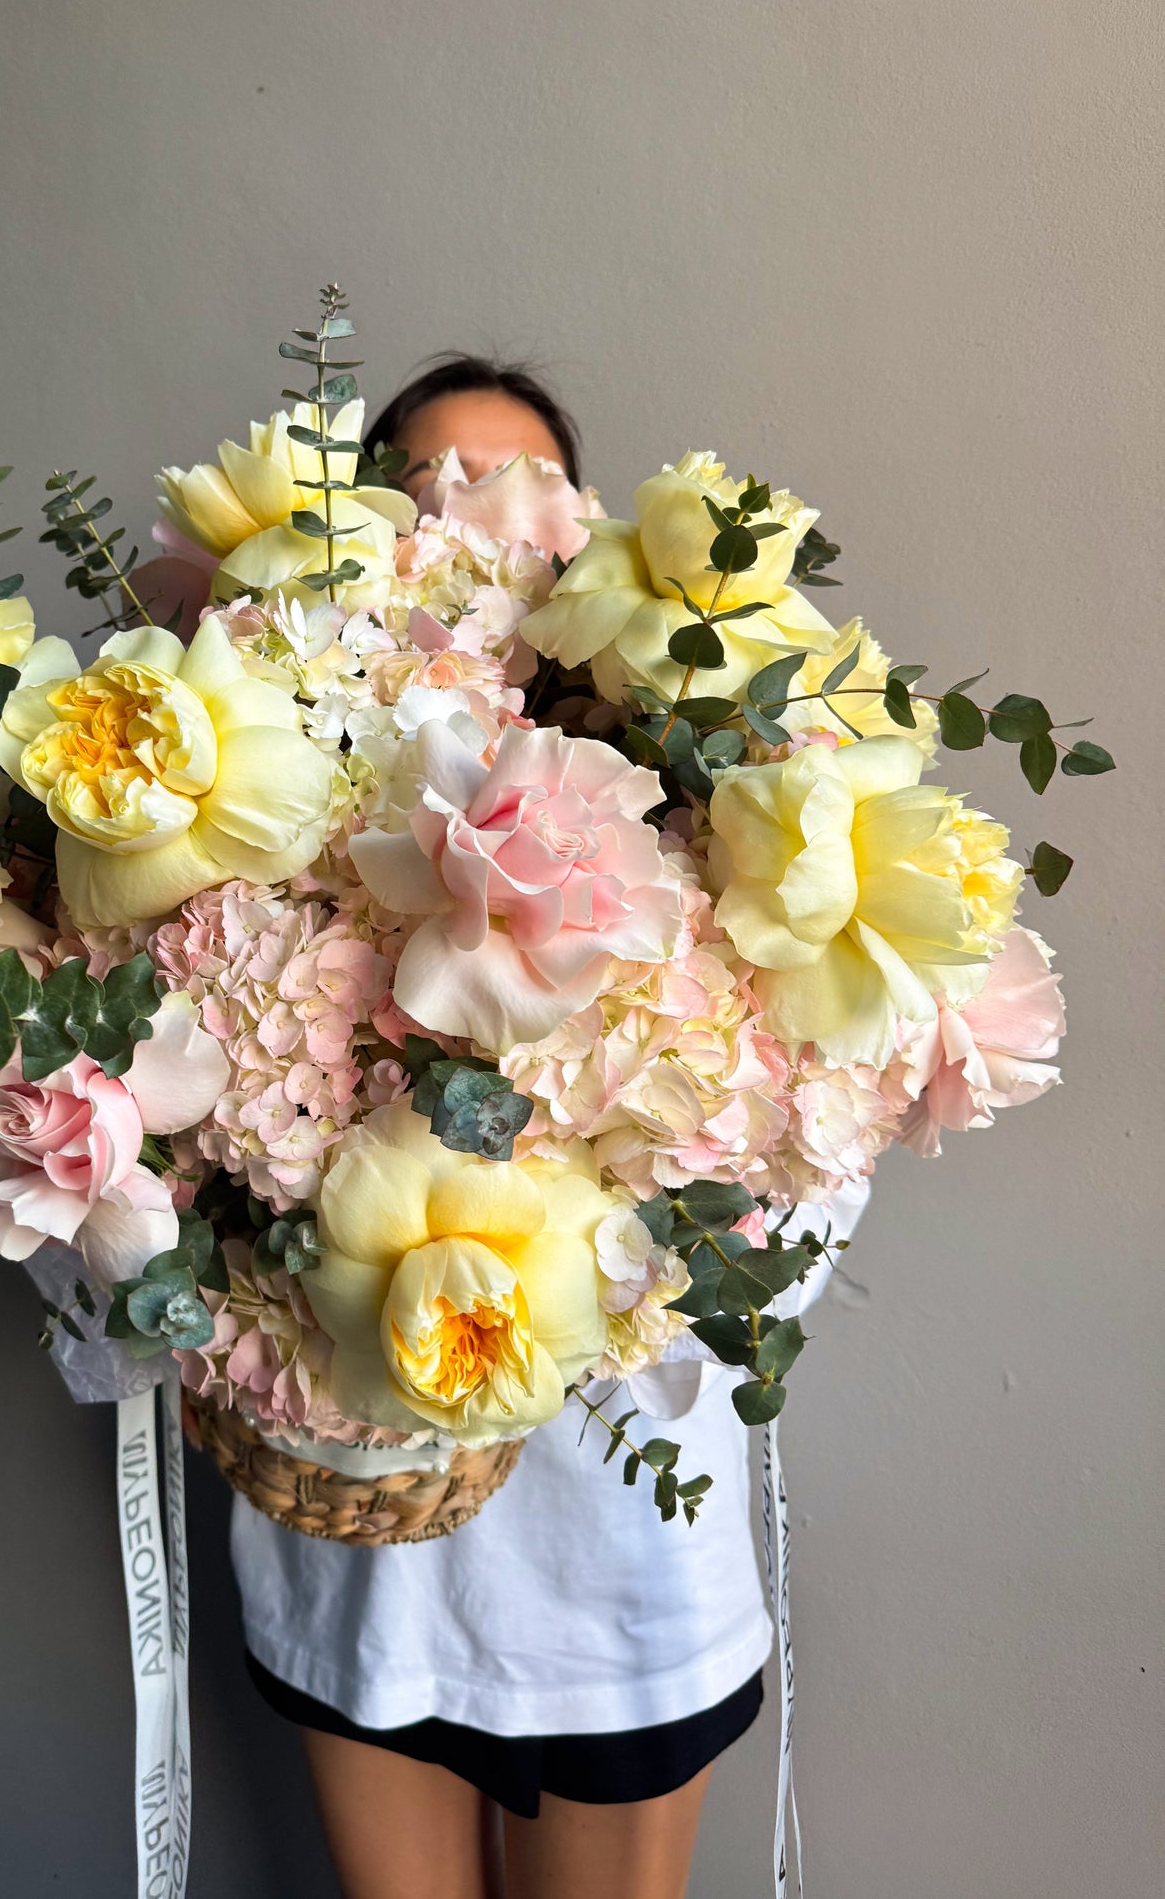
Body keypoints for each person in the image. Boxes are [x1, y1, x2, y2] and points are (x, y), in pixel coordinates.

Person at [228, 354, 867, 1899]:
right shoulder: (266, 793)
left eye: (516, 482)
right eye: (431, 481)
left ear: (580, 532)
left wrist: (610, 1256)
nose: (474, 517)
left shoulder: (718, 810)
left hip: (618, 1581)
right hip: (367, 1565)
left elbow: (807, 1175)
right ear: (366, 523)